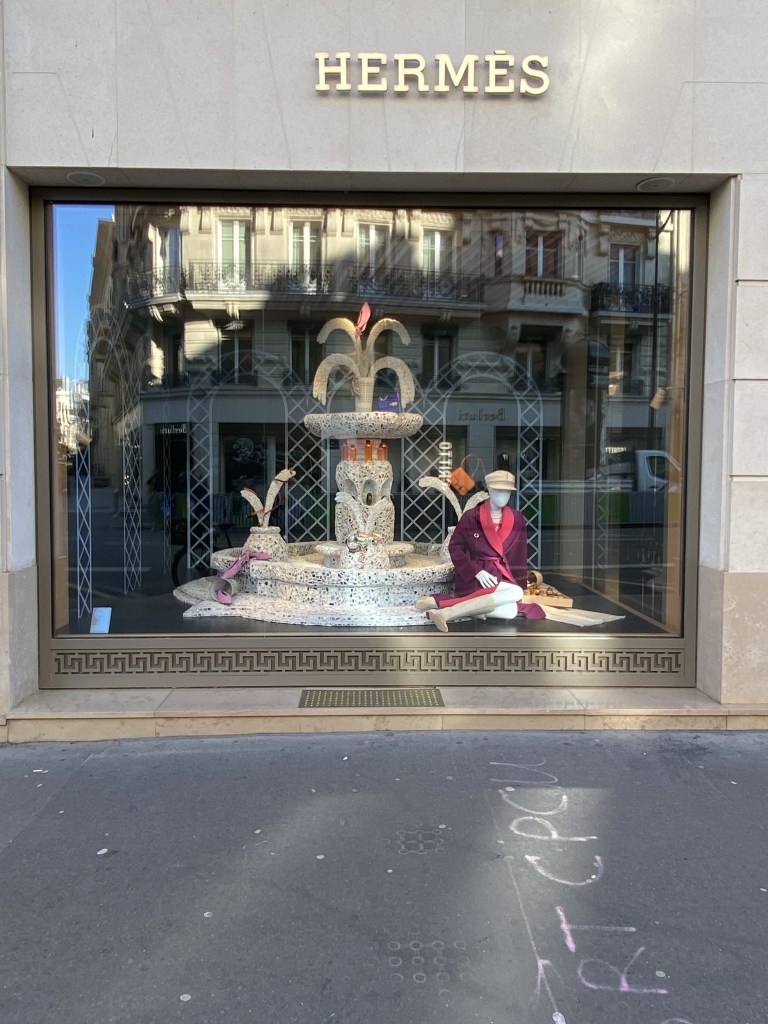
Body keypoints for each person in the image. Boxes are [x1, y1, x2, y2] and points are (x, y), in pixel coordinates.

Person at [416, 469, 537, 632]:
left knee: (510, 611)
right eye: (498, 491)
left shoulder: (517, 518)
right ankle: (459, 610)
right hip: (476, 579)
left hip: (501, 578)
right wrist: (476, 571)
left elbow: (518, 554)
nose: (503, 496)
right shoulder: (471, 517)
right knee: (514, 593)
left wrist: (520, 581)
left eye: (507, 492)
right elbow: (455, 547)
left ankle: (445, 610)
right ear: (489, 491)